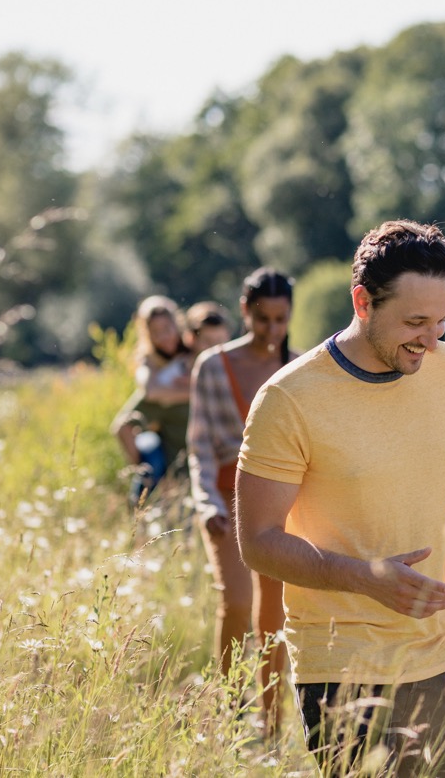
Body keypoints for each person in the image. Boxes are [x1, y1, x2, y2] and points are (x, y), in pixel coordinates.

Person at [236, 220, 445, 775]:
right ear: (363, 302)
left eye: (443, 319)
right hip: (343, 669)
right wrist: (363, 576)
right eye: (416, 321)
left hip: (443, 653)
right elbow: (256, 543)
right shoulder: (288, 399)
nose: (432, 337)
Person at [187, 270, 295, 735]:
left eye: (280, 320)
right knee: (235, 601)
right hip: (226, 501)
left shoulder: (297, 368)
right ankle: (231, 710)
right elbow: (200, 447)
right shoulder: (212, 366)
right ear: (245, 311)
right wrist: (207, 502)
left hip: (280, 500)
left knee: (274, 613)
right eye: (262, 319)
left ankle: (271, 722)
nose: (271, 331)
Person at [111, 295, 192, 508]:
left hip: (197, 455)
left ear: (178, 323)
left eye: (167, 328)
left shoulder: (192, 354)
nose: (163, 337)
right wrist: (194, 391)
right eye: (155, 333)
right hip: (170, 456)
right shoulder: (153, 366)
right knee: (152, 461)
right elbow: (150, 391)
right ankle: (142, 495)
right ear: (147, 335)